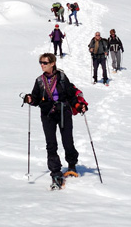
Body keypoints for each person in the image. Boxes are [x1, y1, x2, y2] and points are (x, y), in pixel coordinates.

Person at [24, 53, 87, 188]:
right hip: (47, 114)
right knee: (51, 144)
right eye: (40, 62)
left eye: (45, 63)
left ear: (52, 63)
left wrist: (78, 105)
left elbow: (71, 94)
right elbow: (35, 98)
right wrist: (30, 99)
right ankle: (55, 171)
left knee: (67, 141)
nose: (42, 65)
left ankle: (71, 165)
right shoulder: (39, 81)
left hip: (64, 112)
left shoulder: (62, 78)